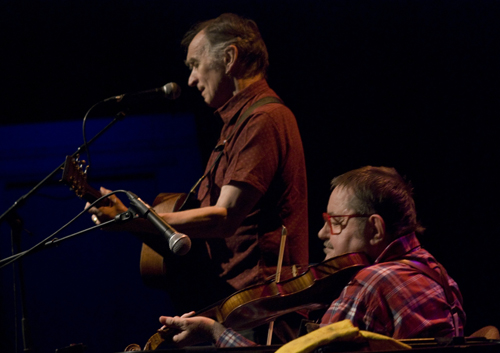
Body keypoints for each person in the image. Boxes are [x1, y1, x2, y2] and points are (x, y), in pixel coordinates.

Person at [88, 13, 308, 311]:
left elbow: (225, 217)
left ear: (230, 58)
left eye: (195, 65)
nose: (191, 79)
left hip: (259, 304)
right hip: (234, 301)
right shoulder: (237, 123)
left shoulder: (264, 118)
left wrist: (137, 218)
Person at [157, 166, 466, 348]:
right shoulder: (439, 276)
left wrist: (214, 331)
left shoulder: (370, 282)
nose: (321, 234)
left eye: (335, 222)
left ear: (374, 228)